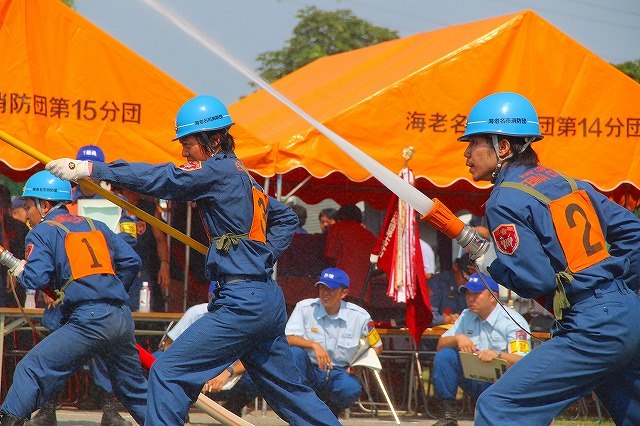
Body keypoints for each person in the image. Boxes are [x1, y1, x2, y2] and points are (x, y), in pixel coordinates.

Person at [46, 94, 342, 425]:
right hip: (264, 298)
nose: (184, 152)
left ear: (214, 139)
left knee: (167, 373)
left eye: (188, 143)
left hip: (242, 301)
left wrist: (90, 168)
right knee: (290, 393)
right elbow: (285, 218)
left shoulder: (216, 171)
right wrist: (260, 253)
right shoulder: (242, 175)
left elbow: (164, 179)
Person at [460, 92, 640, 425]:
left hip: (592, 326)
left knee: (499, 408)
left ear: (502, 148)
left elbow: (536, 281)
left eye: (474, 143)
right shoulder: (566, 182)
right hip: (629, 314)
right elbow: (635, 234)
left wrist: (493, 264)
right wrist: (614, 290)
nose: (467, 153)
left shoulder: (504, 199)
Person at [0, 171, 147, 426]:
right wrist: (109, 291)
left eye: (28, 207)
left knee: (30, 370)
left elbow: (34, 278)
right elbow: (132, 260)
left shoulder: (43, 231)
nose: (26, 215)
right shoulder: (94, 225)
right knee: (134, 392)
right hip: (120, 317)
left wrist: (12, 263)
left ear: (44, 205)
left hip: (89, 319)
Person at [431, 273, 530, 426]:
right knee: (445, 355)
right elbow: (440, 344)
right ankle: (448, 416)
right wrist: (458, 338)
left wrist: (498, 355)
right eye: (468, 293)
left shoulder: (513, 321)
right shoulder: (466, 316)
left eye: (476, 294)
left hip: (500, 384)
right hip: (473, 377)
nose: (470, 298)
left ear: (493, 296)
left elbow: (524, 362)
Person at [285, 267, 383, 417]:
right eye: (322, 288)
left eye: (330, 289)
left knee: (350, 388)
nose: (324, 293)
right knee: (295, 353)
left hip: (340, 371)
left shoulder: (360, 316)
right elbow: (288, 338)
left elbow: (376, 347)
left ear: (344, 293)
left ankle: (331, 411)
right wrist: (314, 345)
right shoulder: (305, 308)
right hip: (310, 369)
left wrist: (361, 364)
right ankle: (302, 408)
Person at [325, 204, 377, 305]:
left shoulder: (337, 228)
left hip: (340, 287)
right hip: (363, 291)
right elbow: (377, 266)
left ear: (342, 216)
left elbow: (330, 256)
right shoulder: (370, 235)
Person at [429, 254, 475, 327]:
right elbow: (427, 316)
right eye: (465, 278)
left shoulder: (475, 285)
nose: (467, 283)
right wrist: (447, 320)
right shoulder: (437, 282)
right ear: (456, 266)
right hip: (437, 335)